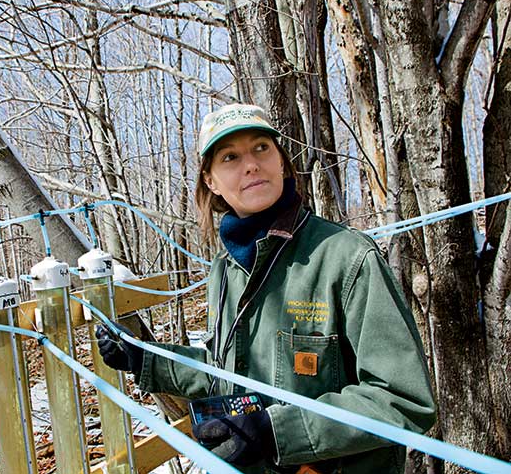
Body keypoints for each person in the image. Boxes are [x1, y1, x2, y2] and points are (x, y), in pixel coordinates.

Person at [97, 104, 436, 474]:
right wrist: (145, 358)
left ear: (282, 163)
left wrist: (276, 432)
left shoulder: (347, 258)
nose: (251, 164)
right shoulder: (224, 271)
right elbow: (221, 371)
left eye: (261, 148)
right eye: (230, 157)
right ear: (210, 181)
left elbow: (402, 398)